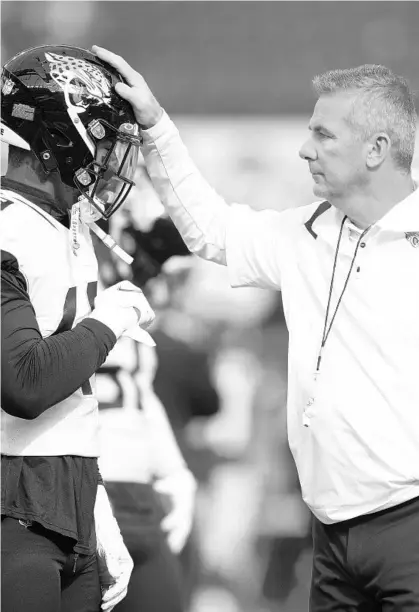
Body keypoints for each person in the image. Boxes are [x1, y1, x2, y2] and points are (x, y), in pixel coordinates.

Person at [92, 46, 419, 611]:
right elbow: (210, 229)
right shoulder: (306, 233)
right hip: (333, 533)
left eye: (324, 135)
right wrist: (155, 127)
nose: (304, 148)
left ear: (377, 149)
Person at [0, 44, 155, 612]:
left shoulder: (65, 225)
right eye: (104, 134)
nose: (114, 154)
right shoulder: (7, 230)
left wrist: (94, 504)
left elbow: (71, 400)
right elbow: (24, 383)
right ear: (59, 136)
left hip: (68, 495)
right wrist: (111, 319)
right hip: (12, 503)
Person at [93, 199, 196, 612]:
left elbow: (138, 385)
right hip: (78, 487)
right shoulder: (52, 246)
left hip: (137, 491)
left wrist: (174, 471)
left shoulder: (118, 255)